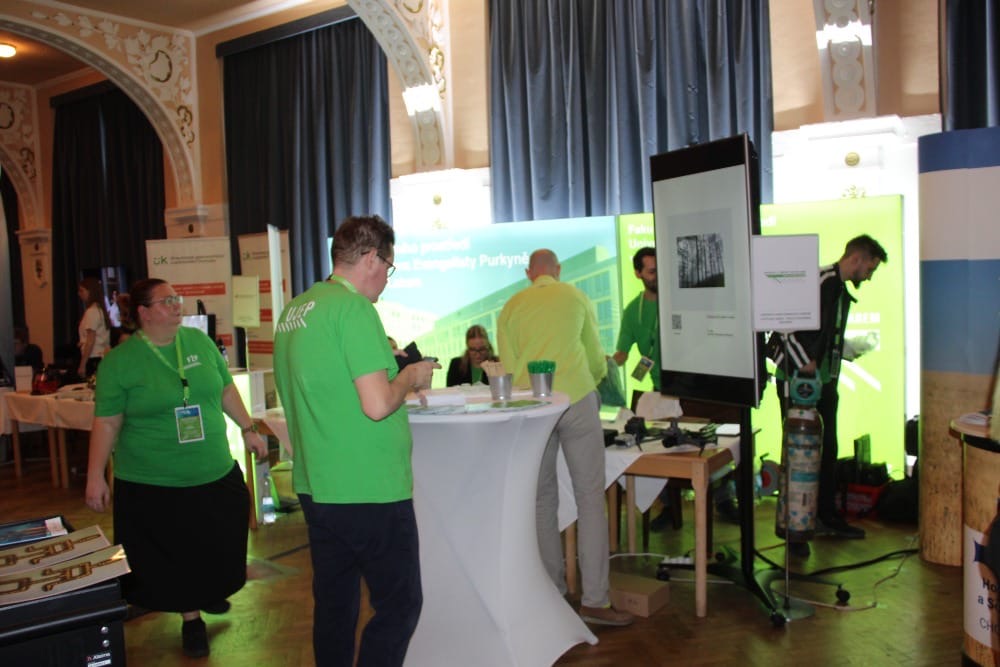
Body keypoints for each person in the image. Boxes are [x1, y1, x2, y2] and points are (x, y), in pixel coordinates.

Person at [272, 215, 438, 666]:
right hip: (369, 487)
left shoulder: (295, 312)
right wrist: (409, 375)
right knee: (399, 605)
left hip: (317, 484)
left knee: (335, 606)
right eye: (389, 266)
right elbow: (378, 404)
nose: (386, 277)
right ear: (371, 259)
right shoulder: (355, 309)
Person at [84, 278, 268, 658]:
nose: (176, 305)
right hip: (154, 480)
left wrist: (248, 428)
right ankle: (192, 620)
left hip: (213, 470)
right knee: (176, 552)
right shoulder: (120, 362)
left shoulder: (198, 342)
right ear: (144, 312)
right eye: (166, 301)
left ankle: (206, 590)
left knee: (222, 534)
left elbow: (225, 388)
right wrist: (94, 476)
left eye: (176, 298)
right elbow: (107, 423)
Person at [497, 249, 633, 627]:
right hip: (576, 396)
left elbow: (508, 365)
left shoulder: (510, 306)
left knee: (542, 500)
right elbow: (595, 356)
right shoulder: (576, 296)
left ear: (529, 273)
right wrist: (590, 381)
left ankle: (552, 596)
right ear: (557, 270)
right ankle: (595, 601)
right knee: (590, 498)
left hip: (532, 404)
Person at [769, 234, 887, 555]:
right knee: (797, 454)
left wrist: (845, 351)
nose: (869, 276)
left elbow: (823, 337)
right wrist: (803, 362)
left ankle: (824, 516)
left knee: (827, 450)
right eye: (870, 269)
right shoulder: (817, 281)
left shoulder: (839, 290)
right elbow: (782, 327)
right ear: (857, 259)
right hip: (796, 381)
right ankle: (794, 532)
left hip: (824, 383)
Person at [612, 248, 740, 527]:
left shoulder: (682, 302)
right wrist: (606, 365)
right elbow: (622, 354)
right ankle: (669, 509)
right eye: (651, 271)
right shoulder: (633, 311)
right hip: (661, 391)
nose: (658, 276)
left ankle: (723, 500)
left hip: (696, 387)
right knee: (661, 447)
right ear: (638, 274)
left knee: (713, 443)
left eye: (661, 269)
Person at [77, 276, 111, 378]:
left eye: (82, 291)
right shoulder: (100, 310)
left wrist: (82, 364)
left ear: (90, 292)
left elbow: (90, 340)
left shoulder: (91, 312)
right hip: (102, 355)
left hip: (93, 357)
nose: (79, 294)